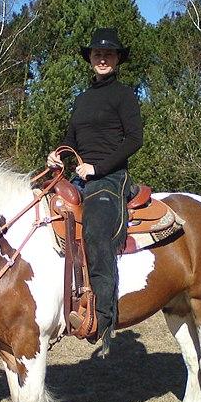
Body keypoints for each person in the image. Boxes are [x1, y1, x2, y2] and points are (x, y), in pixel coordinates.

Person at [47, 27, 143, 346]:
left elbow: (134, 139)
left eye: (109, 54)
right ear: (90, 59)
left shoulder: (124, 95)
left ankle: (103, 316)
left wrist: (98, 167)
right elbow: (70, 138)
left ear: (117, 59)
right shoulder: (82, 99)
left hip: (110, 176)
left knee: (96, 229)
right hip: (81, 176)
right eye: (97, 54)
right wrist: (58, 153)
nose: (102, 58)